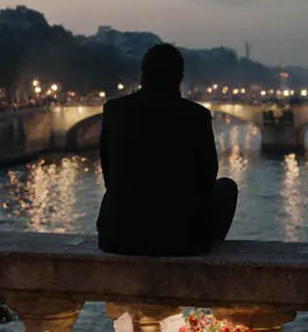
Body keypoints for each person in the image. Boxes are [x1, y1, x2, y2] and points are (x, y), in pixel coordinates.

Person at [96, 44, 237, 256]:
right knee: (226, 188)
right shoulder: (197, 116)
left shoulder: (114, 110)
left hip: (117, 237)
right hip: (182, 240)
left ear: (142, 75)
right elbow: (207, 178)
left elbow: (108, 174)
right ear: (180, 78)